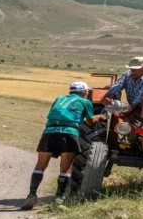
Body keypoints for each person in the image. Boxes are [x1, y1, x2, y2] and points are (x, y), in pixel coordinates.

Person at [21, 81, 106, 210]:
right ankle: (59, 198)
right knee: (65, 167)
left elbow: (60, 116)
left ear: (71, 91)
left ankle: (31, 195)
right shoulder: (85, 102)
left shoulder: (59, 99)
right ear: (84, 92)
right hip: (69, 133)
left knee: (40, 166)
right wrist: (100, 117)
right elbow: (90, 122)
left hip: (49, 132)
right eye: (86, 92)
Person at [102, 56, 143, 140]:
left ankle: (137, 142)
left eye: (136, 69)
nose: (132, 71)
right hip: (136, 107)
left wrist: (127, 112)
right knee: (125, 120)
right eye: (131, 68)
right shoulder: (128, 74)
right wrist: (110, 96)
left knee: (139, 130)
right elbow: (118, 85)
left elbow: (141, 96)